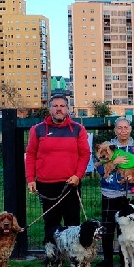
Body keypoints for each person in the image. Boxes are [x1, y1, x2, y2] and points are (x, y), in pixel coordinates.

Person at [25, 95, 91, 243]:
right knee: (51, 223)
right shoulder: (37, 130)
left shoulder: (78, 129)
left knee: (73, 223)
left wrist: (78, 175)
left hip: (71, 183)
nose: (59, 109)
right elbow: (30, 154)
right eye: (55, 106)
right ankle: (52, 257)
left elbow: (85, 154)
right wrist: (30, 179)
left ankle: (73, 257)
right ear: (50, 109)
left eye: (62, 106)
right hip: (46, 185)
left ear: (67, 109)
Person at [95, 117, 134, 267]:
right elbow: (99, 167)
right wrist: (113, 164)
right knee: (107, 227)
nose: (123, 131)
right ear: (115, 130)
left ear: (130, 129)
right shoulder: (107, 147)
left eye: (126, 127)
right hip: (109, 192)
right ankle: (107, 260)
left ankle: (124, 259)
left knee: (127, 228)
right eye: (119, 128)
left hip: (129, 195)